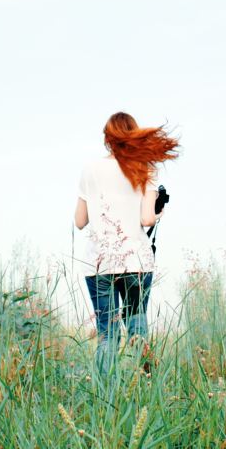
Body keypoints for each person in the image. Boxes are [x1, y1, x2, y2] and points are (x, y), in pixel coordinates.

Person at [73, 111, 178, 372]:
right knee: (137, 326)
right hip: (137, 260)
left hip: (100, 264)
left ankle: (104, 395)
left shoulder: (90, 169)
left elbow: (79, 221)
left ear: (108, 138)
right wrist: (157, 213)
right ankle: (144, 386)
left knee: (107, 335)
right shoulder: (144, 167)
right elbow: (146, 219)